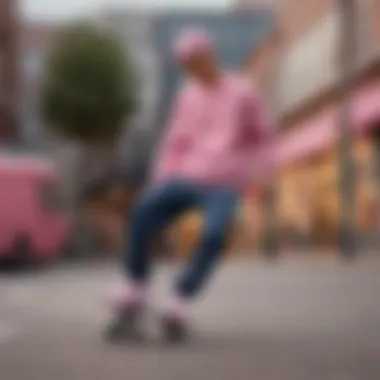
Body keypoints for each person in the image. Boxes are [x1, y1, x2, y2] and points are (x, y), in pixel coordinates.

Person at [107, 27, 276, 341]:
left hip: (225, 182)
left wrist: (265, 172)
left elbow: (262, 137)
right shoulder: (187, 96)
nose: (194, 68)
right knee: (142, 212)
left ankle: (180, 298)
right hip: (185, 177)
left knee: (213, 236)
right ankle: (136, 287)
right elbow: (175, 143)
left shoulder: (243, 91)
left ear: (211, 55)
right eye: (188, 65)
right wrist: (159, 183)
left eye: (198, 60)